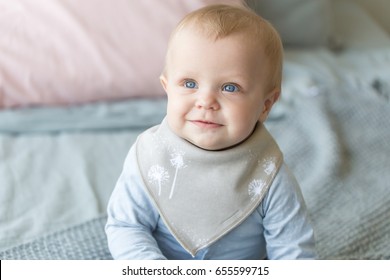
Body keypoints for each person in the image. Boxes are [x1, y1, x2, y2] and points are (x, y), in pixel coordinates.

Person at [105, 4, 316, 260]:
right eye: (190, 84)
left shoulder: (268, 173)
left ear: (266, 105)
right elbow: (127, 227)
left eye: (230, 87)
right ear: (167, 87)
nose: (205, 101)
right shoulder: (149, 157)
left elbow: (292, 248)